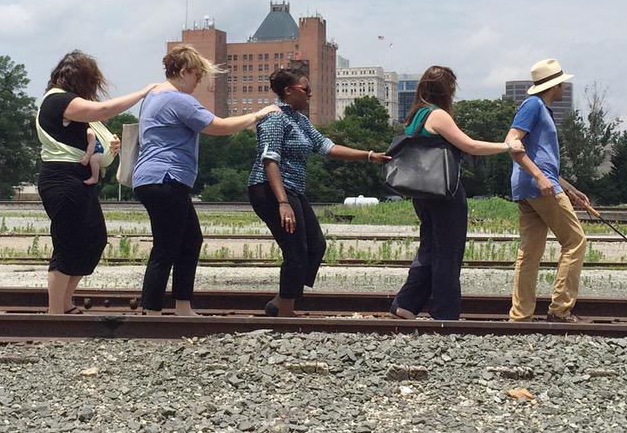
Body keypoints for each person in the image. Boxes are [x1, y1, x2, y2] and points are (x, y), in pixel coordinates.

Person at [132, 45, 280, 316]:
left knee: (190, 240)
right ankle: (151, 311)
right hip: (166, 177)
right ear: (182, 71)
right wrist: (258, 115)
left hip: (154, 178)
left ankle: (181, 306)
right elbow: (217, 127)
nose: (198, 81)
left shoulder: (154, 96)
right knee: (166, 245)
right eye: (197, 75)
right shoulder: (178, 100)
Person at [248, 67, 389, 317]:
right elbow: (269, 160)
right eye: (306, 90)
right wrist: (282, 202)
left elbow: (328, 147)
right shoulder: (273, 117)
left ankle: (280, 301)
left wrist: (368, 156)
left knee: (316, 246)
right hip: (271, 190)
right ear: (289, 91)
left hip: (292, 190)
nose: (310, 95)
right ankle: (286, 311)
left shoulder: (300, 120)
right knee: (296, 249)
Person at [391, 65, 524, 321]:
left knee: (430, 248)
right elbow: (470, 146)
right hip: (444, 193)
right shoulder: (438, 115)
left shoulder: (414, 116)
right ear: (447, 90)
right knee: (448, 253)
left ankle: (407, 303)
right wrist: (507, 146)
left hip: (422, 192)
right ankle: (445, 313)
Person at [37, 51, 158, 315]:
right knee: (68, 242)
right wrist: (141, 94)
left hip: (77, 179)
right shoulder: (59, 100)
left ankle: (66, 303)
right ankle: (55, 312)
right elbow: (103, 109)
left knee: (93, 238)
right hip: (62, 178)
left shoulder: (64, 103)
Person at [504, 57, 592, 323]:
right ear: (555, 86)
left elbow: (541, 159)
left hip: (528, 187)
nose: (564, 87)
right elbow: (512, 141)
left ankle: (520, 315)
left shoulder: (539, 107)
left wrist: (571, 190)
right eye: (561, 83)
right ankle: (560, 309)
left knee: (529, 253)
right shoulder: (533, 105)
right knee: (575, 241)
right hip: (539, 187)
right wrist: (542, 178)